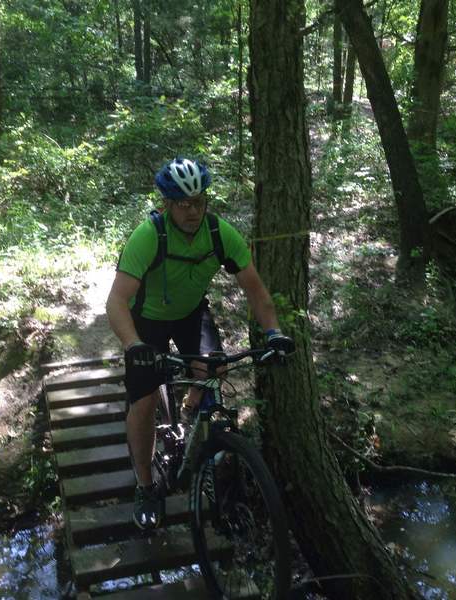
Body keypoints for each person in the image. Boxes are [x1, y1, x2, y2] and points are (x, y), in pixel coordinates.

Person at [106, 157, 294, 530]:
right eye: (183, 204)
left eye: (199, 202)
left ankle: (191, 410)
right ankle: (145, 485)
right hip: (147, 324)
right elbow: (115, 301)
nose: (193, 211)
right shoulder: (149, 237)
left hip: (192, 313)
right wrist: (132, 346)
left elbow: (256, 291)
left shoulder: (220, 233)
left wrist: (274, 333)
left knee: (214, 368)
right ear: (168, 205)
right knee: (143, 402)